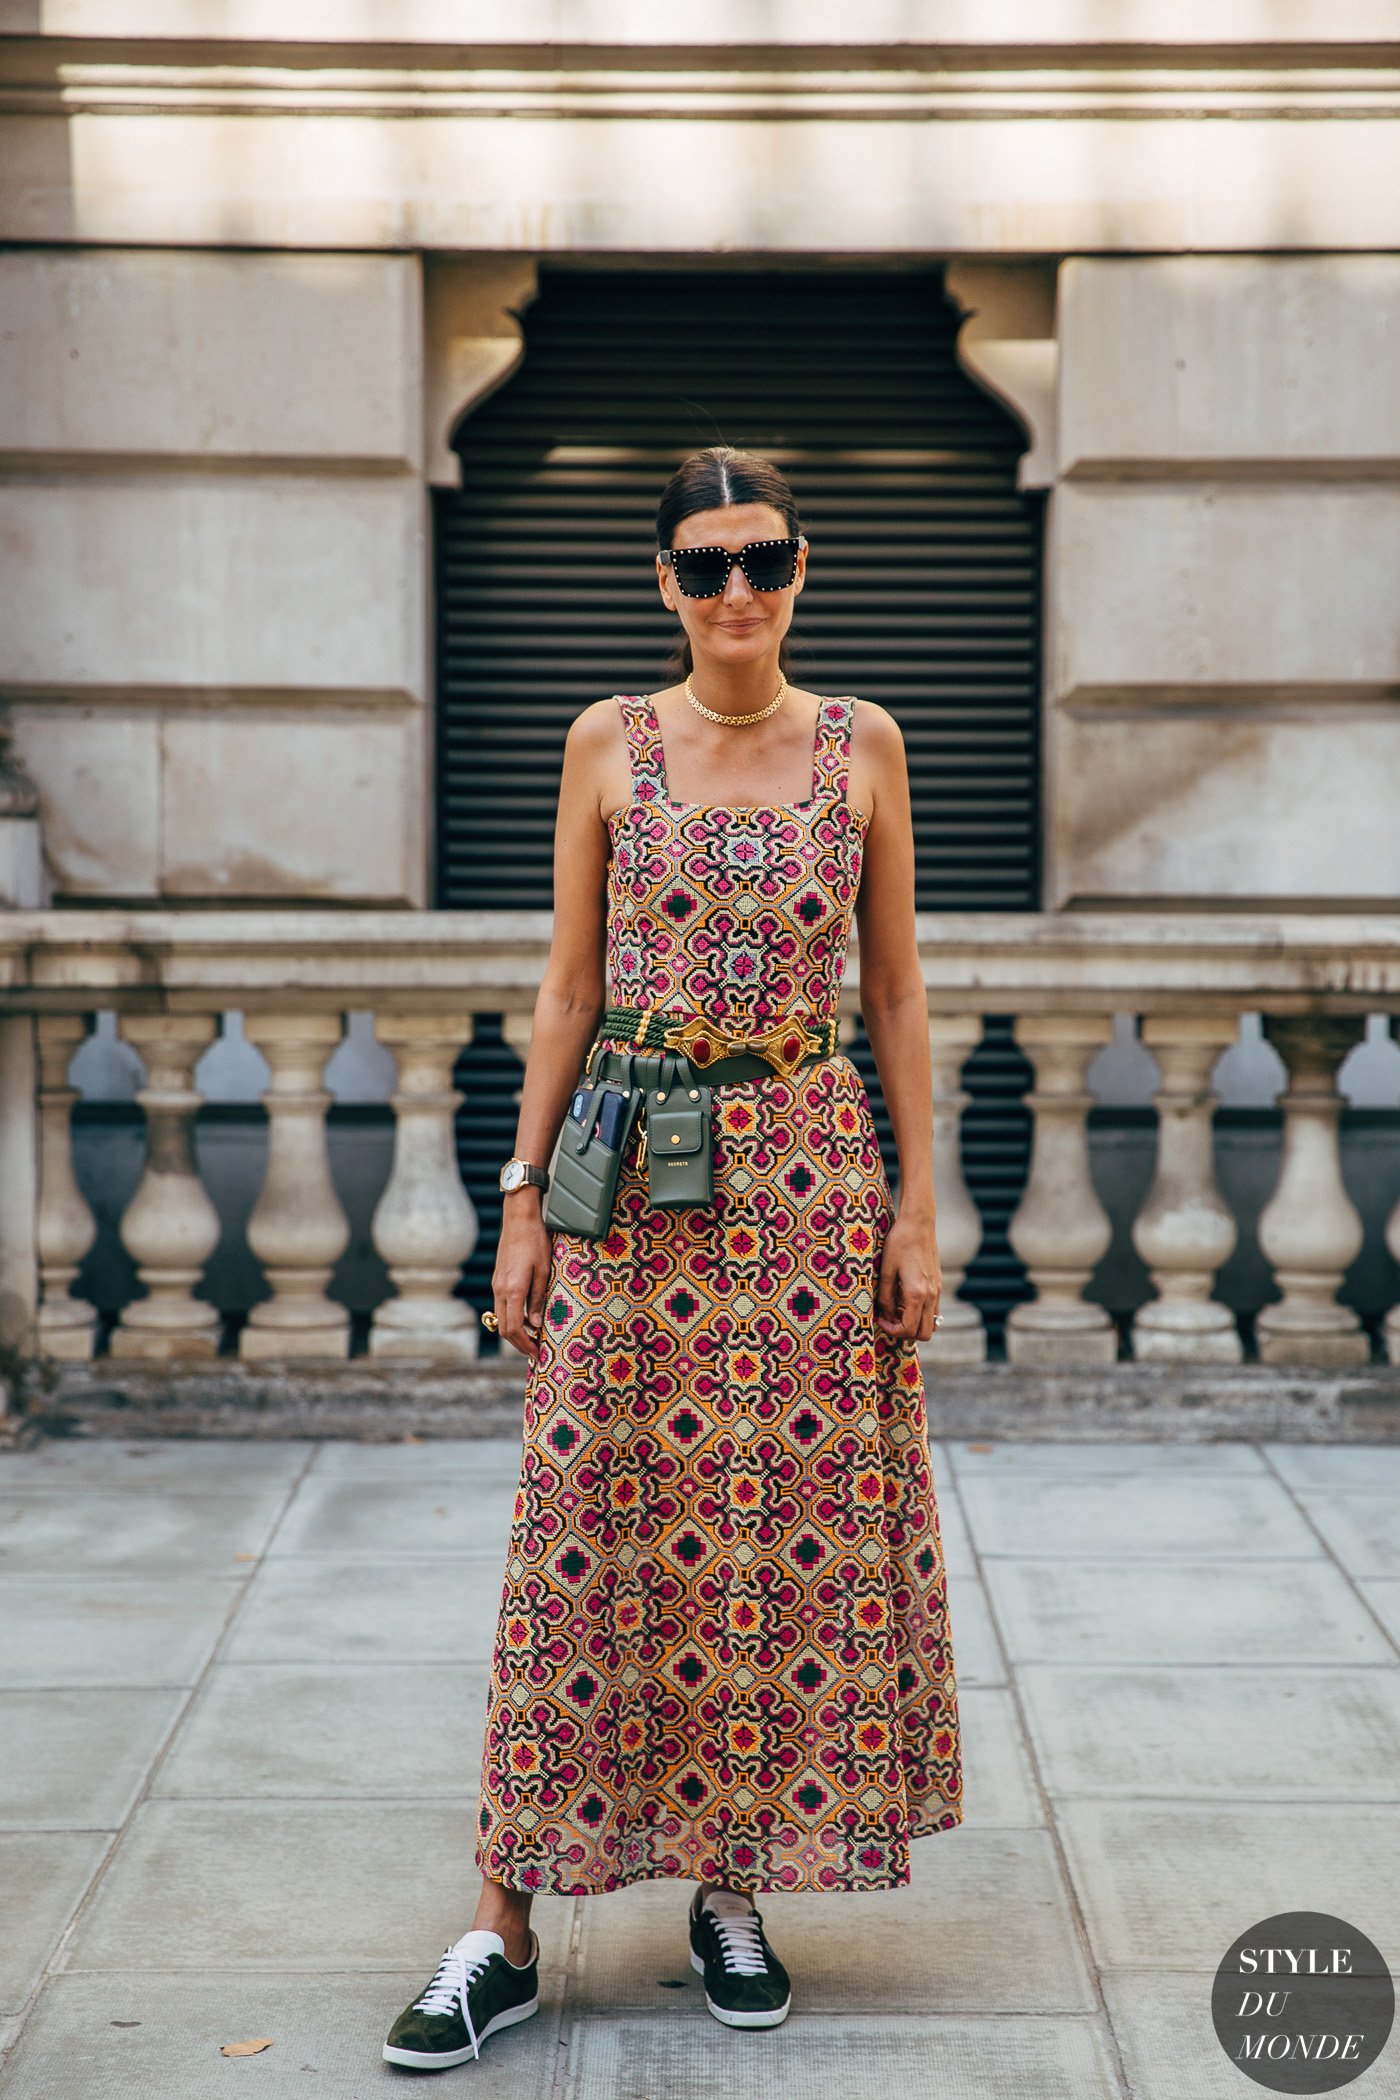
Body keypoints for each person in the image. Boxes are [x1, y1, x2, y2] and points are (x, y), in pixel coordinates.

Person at [383, 446, 963, 2071]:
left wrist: (917, 1208)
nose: (734, 594)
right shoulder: (605, 744)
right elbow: (566, 988)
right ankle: (501, 1922)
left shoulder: (864, 746)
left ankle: (733, 1891)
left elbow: (898, 993)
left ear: (801, 569)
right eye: (703, 566)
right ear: (663, 583)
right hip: (626, 1185)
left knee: (770, 1539)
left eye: (761, 561)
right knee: (583, 1524)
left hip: (806, 1180)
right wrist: (514, 1205)